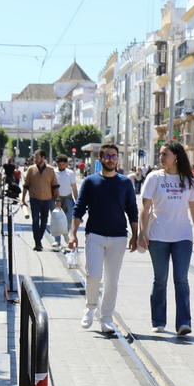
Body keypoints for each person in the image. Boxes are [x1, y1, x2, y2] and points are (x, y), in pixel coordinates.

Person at [69, 142, 138, 335]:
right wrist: (73, 234)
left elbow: (132, 209)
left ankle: (106, 317)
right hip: (95, 235)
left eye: (114, 156)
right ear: (100, 159)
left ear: (118, 158)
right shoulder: (90, 182)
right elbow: (79, 208)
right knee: (93, 276)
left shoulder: (125, 183)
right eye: (107, 156)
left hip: (118, 237)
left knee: (111, 280)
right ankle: (90, 307)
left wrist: (136, 235)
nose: (110, 159)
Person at [138, 141, 194, 337]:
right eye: (160, 154)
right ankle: (158, 321)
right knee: (160, 280)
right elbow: (145, 208)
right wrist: (143, 233)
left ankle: (184, 322)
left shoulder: (189, 180)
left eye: (164, 154)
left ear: (176, 156)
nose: (161, 157)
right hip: (158, 236)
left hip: (182, 236)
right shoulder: (154, 177)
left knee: (181, 280)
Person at [23, 150, 57, 251]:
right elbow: (26, 185)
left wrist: (58, 199)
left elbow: (55, 185)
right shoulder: (31, 169)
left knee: (44, 222)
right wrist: (22, 199)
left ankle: (39, 239)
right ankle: (37, 242)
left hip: (46, 199)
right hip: (34, 199)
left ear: (43, 158)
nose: (35, 159)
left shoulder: (50, 170)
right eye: (34, 157)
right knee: (35, 221)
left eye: (37, 157)